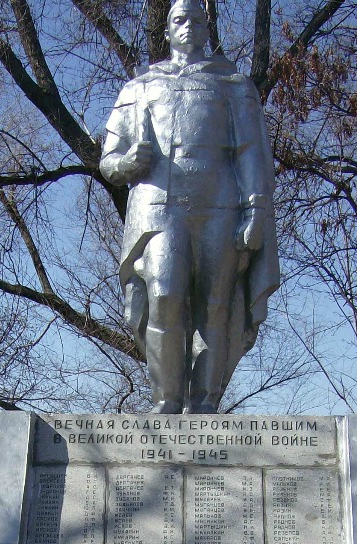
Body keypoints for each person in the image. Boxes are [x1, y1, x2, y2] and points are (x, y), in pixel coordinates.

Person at [100, 0, 280, 413]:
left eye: (196, 20)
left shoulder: (231, 84)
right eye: (179, 20)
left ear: (207, 28)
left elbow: (252, 152)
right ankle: (167, 398)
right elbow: (109, 159)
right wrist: (129, 163)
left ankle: (204, 402)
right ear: (167, 31)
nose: (188, 27)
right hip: (160, 209)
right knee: (164, 295)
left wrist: (255, 210)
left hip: (220, 206)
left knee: (216, 303)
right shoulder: (140, 87)